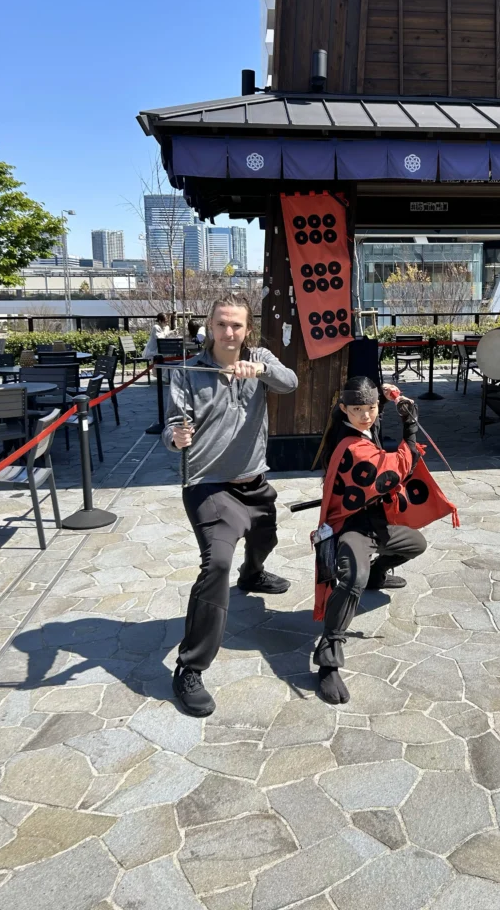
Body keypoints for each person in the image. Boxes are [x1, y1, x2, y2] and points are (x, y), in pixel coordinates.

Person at [163, 293, 298, 716]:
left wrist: (259, 369)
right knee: (216, 564)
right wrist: (176, 438)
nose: (229, 332)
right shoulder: (189, 370)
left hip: (254, 480)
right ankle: (189, 667)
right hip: (208, 485)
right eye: (221, 324)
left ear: (247, 328)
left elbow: (289, 381)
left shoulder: (259, 357)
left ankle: (253, 573)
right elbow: (172, 424)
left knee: (266, 536)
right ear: (209, 325)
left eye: (237, 325)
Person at [312, 375, 457, 705]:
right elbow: (397, 467)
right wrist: (410, 430)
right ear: (344, 409)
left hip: (376, 522)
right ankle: (328, 656)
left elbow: (384, 396)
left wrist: (394, 400)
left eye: (372, 408)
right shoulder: (350, 445)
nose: (366, 415)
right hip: (350, 527)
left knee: (414, 544)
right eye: (358, 409)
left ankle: (379, 574)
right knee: (352, 579)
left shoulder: (365, 429)